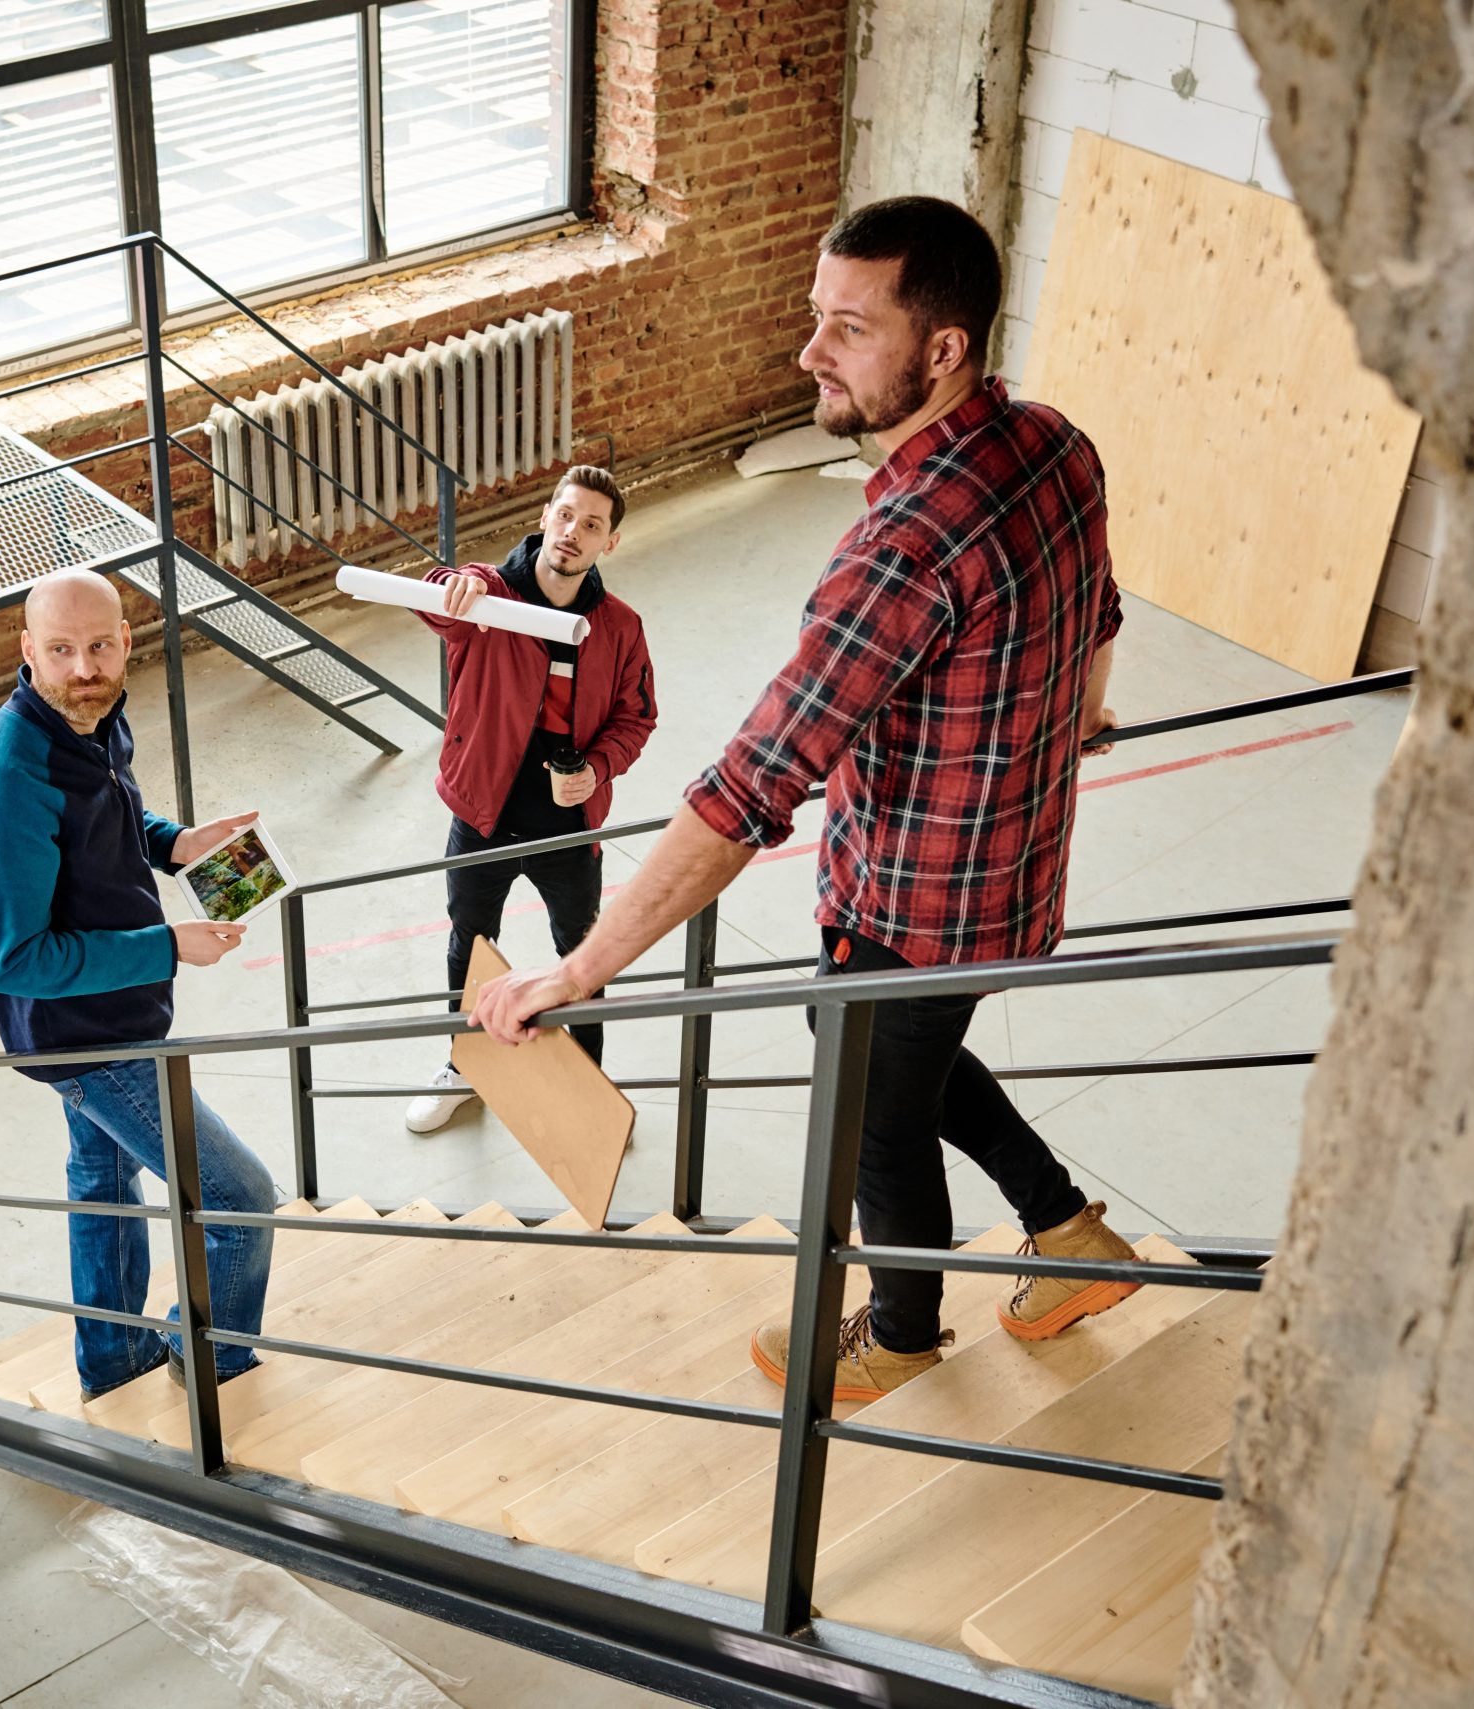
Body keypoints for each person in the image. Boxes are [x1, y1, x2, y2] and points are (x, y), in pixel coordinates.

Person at [471, 197, 1139, 1401]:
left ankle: (900, 1330)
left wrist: (578, 969)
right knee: (894, 1064)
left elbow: (744, 792)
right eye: (812, 319)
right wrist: (1074, 709)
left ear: (940, 350)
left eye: (846, 327)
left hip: (915, 905)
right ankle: (1069, 1231)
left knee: (876, 1110)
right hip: (1018, 870)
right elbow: (1098, 611)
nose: (808, 353)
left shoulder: (900, 551)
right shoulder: (1053, 441)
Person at [0, 569, 279, 1400]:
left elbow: (108, 818)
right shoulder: (4, 781)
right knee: (239, 1201)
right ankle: (204, 1356)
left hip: (117, 1013)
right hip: (88, 1039)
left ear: (127, 641)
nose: (83, 667)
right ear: (27, 653)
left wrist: (175, 843)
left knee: (101, 1179)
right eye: (60, 651)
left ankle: (113, 1365)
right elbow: (15, 960)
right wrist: (168, 945)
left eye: (99, 646)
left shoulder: (90, 718)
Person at [402, 465, 659, 1133]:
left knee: (583, 955)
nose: (574, 532)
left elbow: (636, 717)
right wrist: (465, 584)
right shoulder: (483, 599)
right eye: (566, 515)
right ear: (546, 516)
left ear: (611, 543)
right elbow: (437, 598)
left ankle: (588, 1086)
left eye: (593, 524)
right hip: (483, 813)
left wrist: (598, 768)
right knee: (470, 942)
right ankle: (466, 1067)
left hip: (567, 827)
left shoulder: (620, 627)